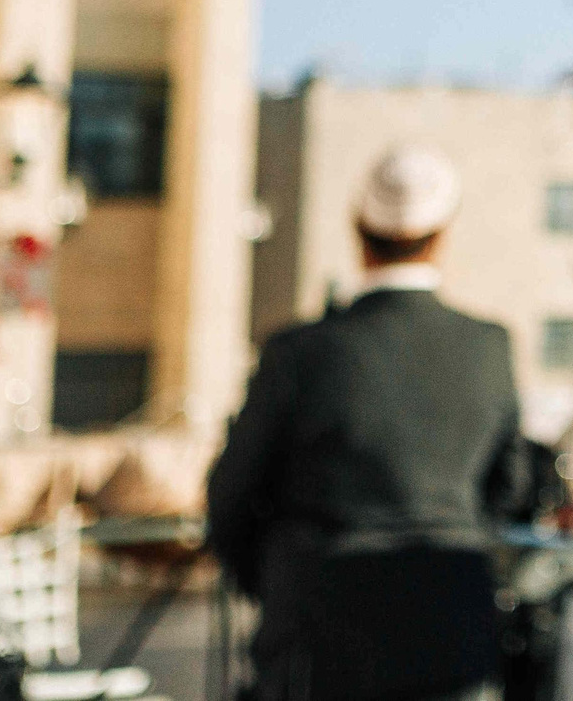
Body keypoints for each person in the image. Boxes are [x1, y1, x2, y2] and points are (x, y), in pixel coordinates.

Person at [208, 146, 526, 701]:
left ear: (359, 229)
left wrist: (279, 581)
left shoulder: (299, 352)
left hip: (317, 637)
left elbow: (231, 495)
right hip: (451, 637)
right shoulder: (488, 346)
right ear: (443, 235)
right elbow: (509, 486)